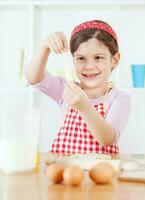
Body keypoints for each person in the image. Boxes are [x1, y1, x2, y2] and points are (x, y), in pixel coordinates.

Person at [26, 20, 131, 156]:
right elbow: (33, 78)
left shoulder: (119, 98)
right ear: (73, 60)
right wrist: (45, 46)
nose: (89, 66)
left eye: (98, 57)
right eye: (81, 58)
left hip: (99, 173)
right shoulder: (66, 89)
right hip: (65, 170)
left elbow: (107, 139)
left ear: (114, 60)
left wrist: (84, 107)